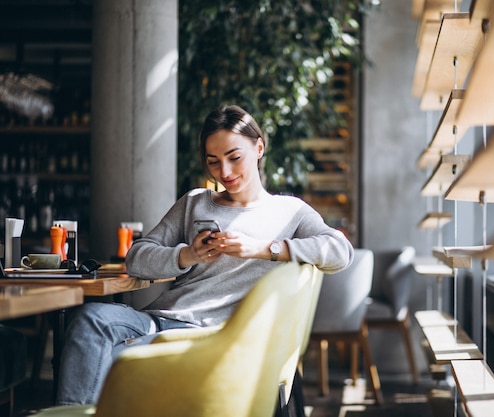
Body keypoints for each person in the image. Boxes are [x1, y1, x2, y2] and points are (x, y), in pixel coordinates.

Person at [56, 104, 354, 405]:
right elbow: (136, 257)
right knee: (90, 318)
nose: (224, 172)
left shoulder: (289, 212)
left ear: (259, 147)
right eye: (213, 162)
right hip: (159, 319)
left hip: (211, 336)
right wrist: (188, 255)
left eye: (234, 157)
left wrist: (264, 249)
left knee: (110, 358)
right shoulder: (194, 202)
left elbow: (340, 251)